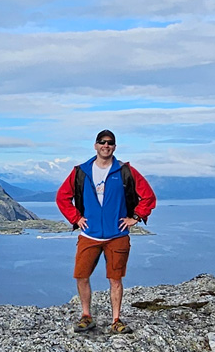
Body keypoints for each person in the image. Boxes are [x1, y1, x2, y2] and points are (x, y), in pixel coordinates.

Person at [56, 129, 157, 334]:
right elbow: (62, 197)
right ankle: (86, 316)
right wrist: (76, 218)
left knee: (115, 279)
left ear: (114, 147)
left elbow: (148, 197)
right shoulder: (81, 171)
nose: (106, 145)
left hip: (117, 235)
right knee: (82, 276)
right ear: (95, 145)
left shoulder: (124, 171)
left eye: (110, 142)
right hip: (89, 235)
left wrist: (135, 218)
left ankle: (116, 320)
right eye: (102, 142)